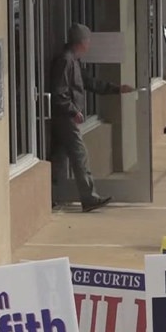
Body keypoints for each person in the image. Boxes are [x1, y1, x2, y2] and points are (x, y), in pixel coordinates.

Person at [49, 23, 133, 212]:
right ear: (82, 42)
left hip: (68, 117)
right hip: (65, 118)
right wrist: (73, 111)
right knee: (80, 155)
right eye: (88, 41)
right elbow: (59, 92)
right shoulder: (65, 60)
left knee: (59, 157)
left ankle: (54, 195)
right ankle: (89, 197)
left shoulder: (74, 61)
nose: (89, 46)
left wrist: (116, 89)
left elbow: (89, 83)